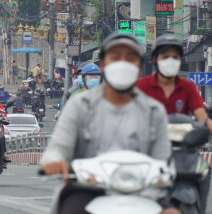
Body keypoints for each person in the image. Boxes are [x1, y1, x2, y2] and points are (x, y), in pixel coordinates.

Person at [40, 33, 173, 213]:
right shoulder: (80, 105)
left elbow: (163, 159)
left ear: (140, 68)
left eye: (130, 58)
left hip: (142, 192)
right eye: (116, 57)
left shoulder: (153, 111)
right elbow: (59, 146)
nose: (122, 64)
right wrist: (55, 161)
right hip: (87, 188)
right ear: (103, 66)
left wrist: (163, 175)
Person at [137, 34, 212, 133]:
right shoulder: (142, 86)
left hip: (184, 143)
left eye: (175, 57)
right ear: (155, 59)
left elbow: (202, 117)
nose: (170, 61)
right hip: (149, 143)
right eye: (165, 57)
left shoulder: (188, 87)